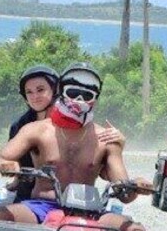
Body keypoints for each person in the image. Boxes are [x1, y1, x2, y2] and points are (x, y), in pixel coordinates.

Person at [0, 62, 147, 231]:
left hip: (91, 212)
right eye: (72, 93)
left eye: (86, 95)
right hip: (42, 207)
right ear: (61, 92)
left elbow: (125, 195)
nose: (78, 100)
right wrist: (5, 165)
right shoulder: (35, 129)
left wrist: (135, 186)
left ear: (95, 99)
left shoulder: (107, 139)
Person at [8, 64, 126, 201]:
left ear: (56, 89)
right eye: (29, 92)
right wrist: (13, 176)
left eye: (40, 90)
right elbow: (12, 163)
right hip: (31, 195)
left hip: (77, 201)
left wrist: (119, 144)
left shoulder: (79, 120)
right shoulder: (20, 126)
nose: (35, 96)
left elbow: (98, 166)